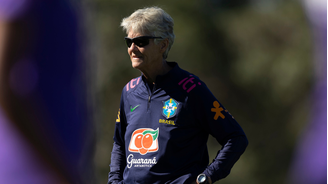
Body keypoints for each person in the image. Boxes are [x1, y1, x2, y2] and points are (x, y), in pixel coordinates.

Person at [108, 6, 248, 184]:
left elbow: (236, 138)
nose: (133, 48)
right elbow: (119, 143)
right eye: (129, 42)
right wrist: (113, 180)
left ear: (163, 45)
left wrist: (207, 177)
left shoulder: (192, 89)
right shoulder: (129, 91)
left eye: (141, 41)